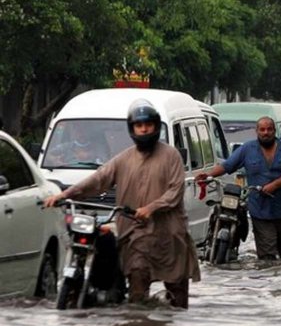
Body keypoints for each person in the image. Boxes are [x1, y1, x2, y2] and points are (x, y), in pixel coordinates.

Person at [44, 99, 200, 308]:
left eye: (148, 125)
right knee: (137, 285)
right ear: (132, 128)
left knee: (178, 296)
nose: (144, 129)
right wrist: (64, 195)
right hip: (135, 234)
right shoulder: (123, 159)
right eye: (139, 125)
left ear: (155, 126)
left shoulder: (171, 156)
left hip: (169, 236)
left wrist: (150, 208)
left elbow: (175, 192)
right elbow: (98, 180)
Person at [195, 117, 281, 261]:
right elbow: (227, 166)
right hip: (260, 210)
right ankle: (268, 282)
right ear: (256, 131)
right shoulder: (248, 149)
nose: (266, 133)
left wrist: (273, 186)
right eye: (262, 130)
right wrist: (207, 176)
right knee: (267, 257)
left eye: (269, 129)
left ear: (274, 131)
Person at [45, 123, 110, 166]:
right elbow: (46, 154)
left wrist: (90, 155)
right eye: (77, 130)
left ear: (88, 131)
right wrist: (54, 160)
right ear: (73, 132)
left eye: (83, 130)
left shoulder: (99, 147)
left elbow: (105, 161)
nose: (80, 133)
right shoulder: (66, 146)